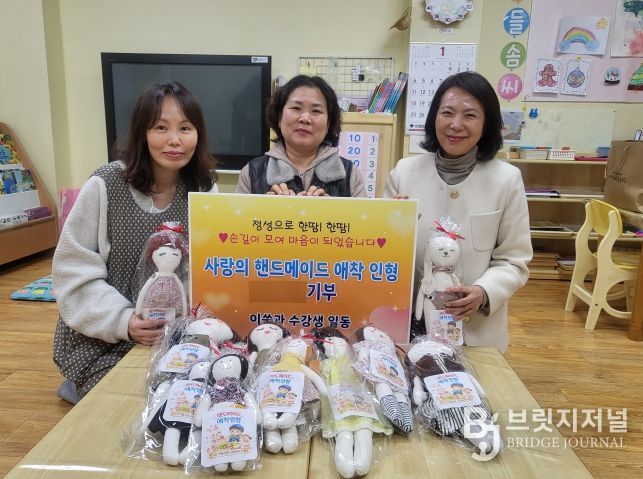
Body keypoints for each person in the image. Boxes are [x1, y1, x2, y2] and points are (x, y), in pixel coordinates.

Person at [52, 81, 218, 403]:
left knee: (194, 399)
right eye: (161, 127)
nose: (174, 139)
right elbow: (72, 269)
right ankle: (80, 383)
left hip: (178, 334)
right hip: (107, 339)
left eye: (185, 128)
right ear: (143, 133)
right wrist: (124, 321)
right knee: (130, 405)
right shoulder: (106, 184)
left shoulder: (203, 189)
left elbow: (212, 267)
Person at [384, 71, 532, 352]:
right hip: (407, 326)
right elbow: (380, 254)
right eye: (447, 113)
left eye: (470, 115)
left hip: (475, 331)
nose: (455, 124)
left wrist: (483, 292)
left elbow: (514, 260)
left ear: (486, 124)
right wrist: (392, 227)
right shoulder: (404, 172)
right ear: (434, 118)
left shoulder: (506, 179)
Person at [236, 75, 366, 197]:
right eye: (296, 108)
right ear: (279, 117)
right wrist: (265, 208)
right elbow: (239, 215)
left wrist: (330, 210)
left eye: (316, 110)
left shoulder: (350, 174)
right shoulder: (252, 173)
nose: (305, 118)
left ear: (329, 124)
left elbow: (363, 215)